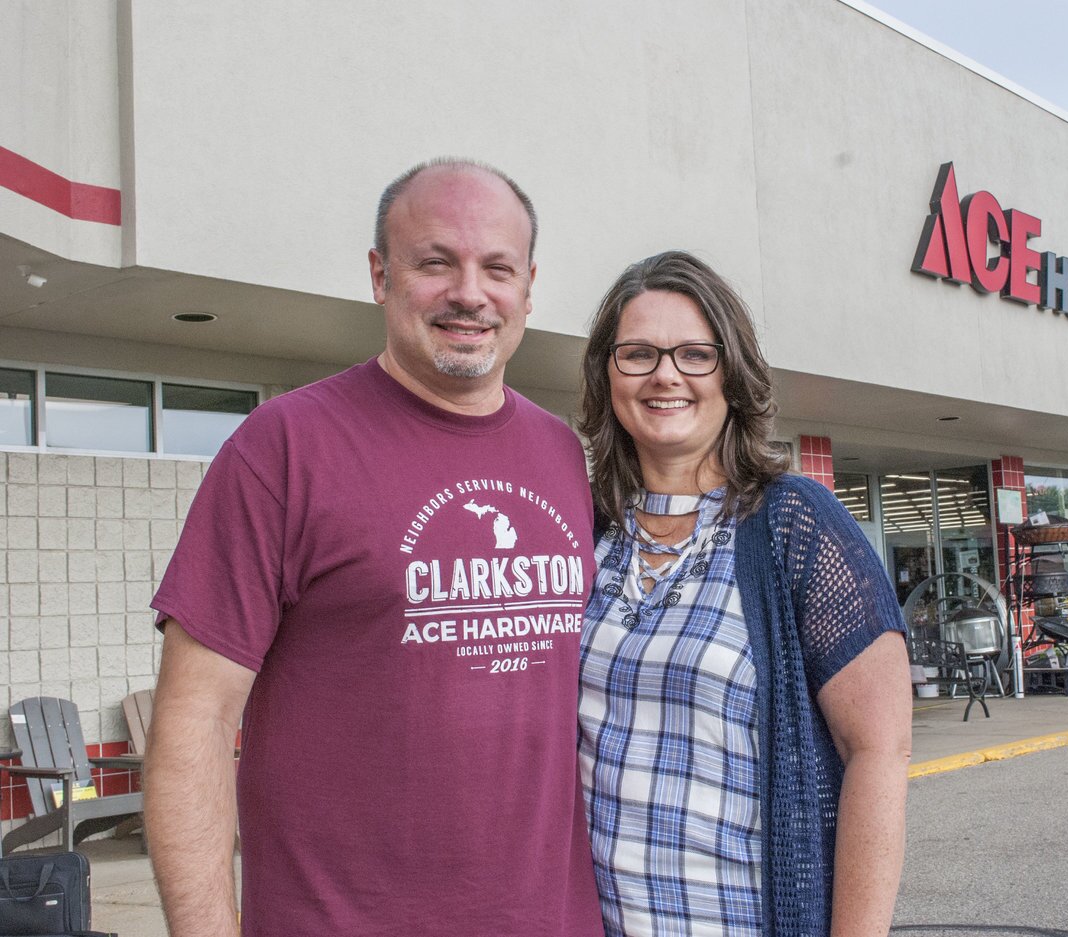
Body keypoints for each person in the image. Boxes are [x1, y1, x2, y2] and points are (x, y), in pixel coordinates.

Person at [145, 159, 604, 937]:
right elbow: (194, 721)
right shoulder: (284, 447)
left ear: (528, 286)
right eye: (435, 262)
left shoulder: (564, 454)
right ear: (379, 276)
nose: (469, 292)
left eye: (496, 268)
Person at [576, 250, 911, 937]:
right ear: (607, 374)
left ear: (732, 372)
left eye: (695, 353)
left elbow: (879, 751)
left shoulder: (794, 524)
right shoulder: (584, 529)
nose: (666, 373)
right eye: (637, 353)